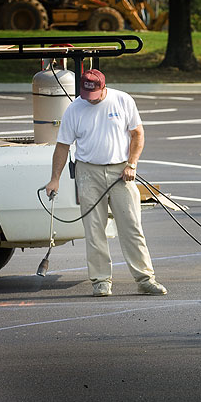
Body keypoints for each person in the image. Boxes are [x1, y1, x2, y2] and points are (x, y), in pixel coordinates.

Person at [45, 69, 167, 297]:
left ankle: (145, 279)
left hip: (120, 171)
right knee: (94, 230)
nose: (90, 100)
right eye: (85, 95)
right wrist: (55, 179)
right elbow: (62, 146)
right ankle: (100, 281)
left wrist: (132, 164)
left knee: (132, 227)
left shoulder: (122, 100)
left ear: (104, 87)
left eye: (94, 95)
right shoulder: (75, 108)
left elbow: (138, 134)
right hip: (87, 172)